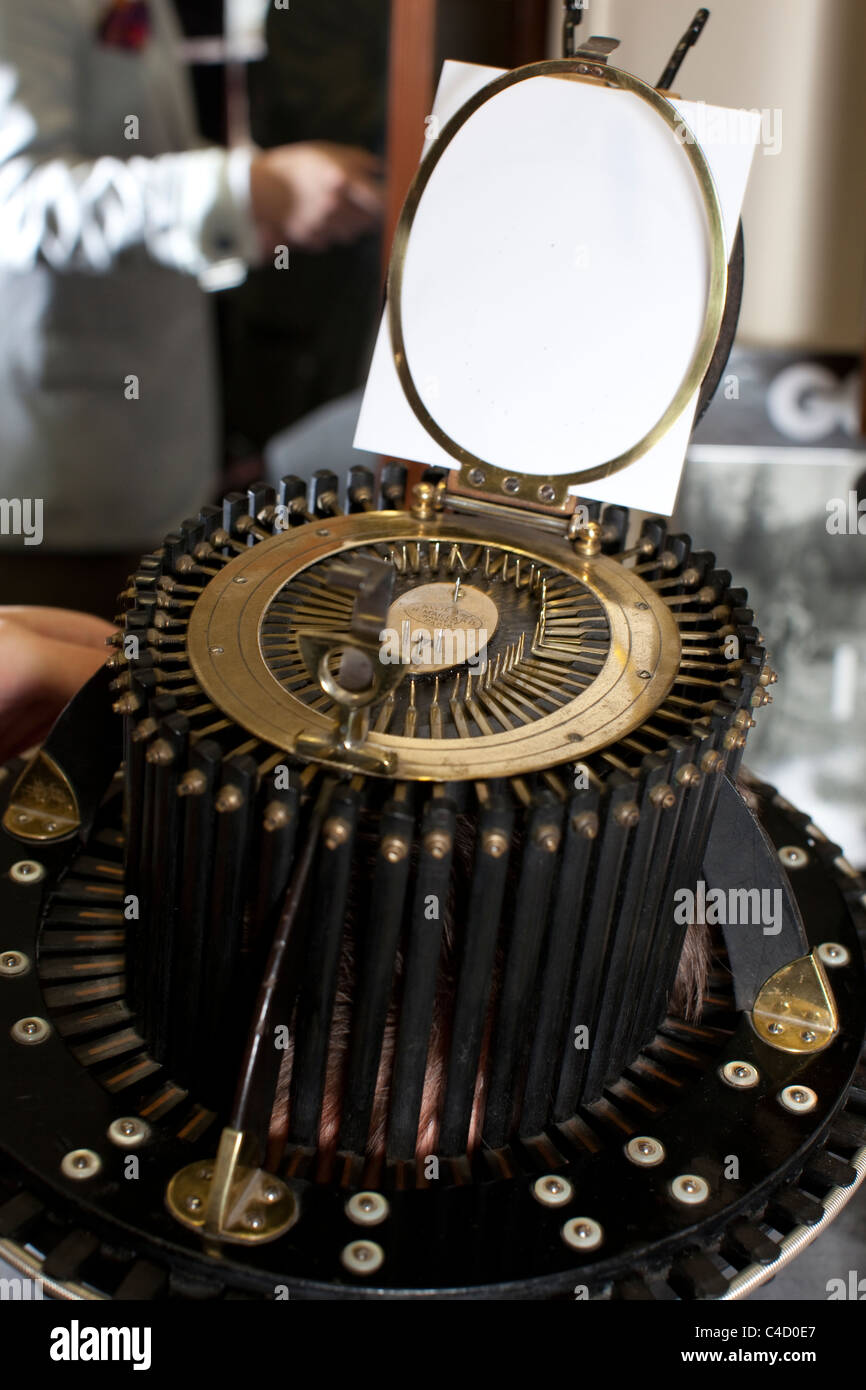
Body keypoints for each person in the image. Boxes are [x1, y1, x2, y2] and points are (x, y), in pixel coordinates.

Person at [0, 0, 383, 614]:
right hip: (56, 480)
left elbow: (134, 148)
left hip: (143, 455)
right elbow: (15, 200)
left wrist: (258, 195)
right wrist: (244, 192)